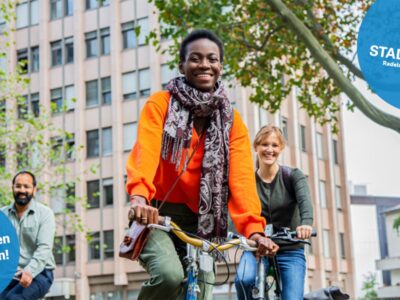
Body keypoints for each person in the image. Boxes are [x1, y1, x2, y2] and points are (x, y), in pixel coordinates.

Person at [125, 29, 279, 299]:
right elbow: (145, 151)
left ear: (220, 66)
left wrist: (254, 230)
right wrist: (139, 197)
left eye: (212, 59)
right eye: (195, 59)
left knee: (205, 288)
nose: (205, 65)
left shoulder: (232, 121)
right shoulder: (160, 104)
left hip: (202, 223)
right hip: (158, 214)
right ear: (182, 65)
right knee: (169, 275)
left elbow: (241, 179)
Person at [235, 124, 314, 300]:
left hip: (290, 248)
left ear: (281, 148)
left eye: (274, 145)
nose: (269, 150)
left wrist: (306, 224)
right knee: (243, 280)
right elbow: (239, 209)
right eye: (264, 144)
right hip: (257, 247)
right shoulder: (248, 181)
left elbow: (305, 204)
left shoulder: (293, 176)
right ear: (256, 147)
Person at [0, 171, 55, 300]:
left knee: (14, 299)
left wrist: (29, 272)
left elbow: (44, 248)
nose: (22, 190)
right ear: (12, 188)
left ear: (34, 189)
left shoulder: (45, 214)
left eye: (26, 186)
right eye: (18, 186)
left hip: (40, 273)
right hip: (10, 275)